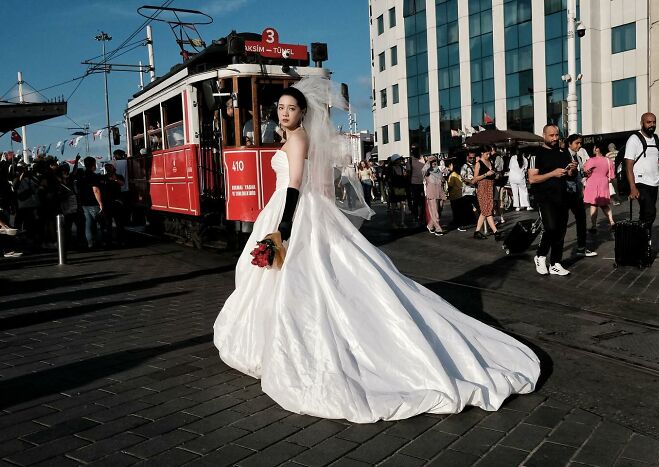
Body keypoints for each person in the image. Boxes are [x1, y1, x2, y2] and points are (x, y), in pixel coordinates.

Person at [213, 77, 540, 423]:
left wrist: (284, 228)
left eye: (290, 108)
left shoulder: (297, 140)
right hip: (297, 208)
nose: (284, 114)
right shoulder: (296, 138)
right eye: (280, 108)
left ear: (302, 112)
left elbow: (293, 186)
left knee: (299, 278)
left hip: (290, 209)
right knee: (309, 276)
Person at [528, 124, 575, 276]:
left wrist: (570, 170)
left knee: (561, 231)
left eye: (557, 135)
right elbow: (532, 179)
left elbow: (568, 175)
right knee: (551, 228)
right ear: (544, 135)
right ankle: (540, 256)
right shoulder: (536, 154)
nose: (555, 138)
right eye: (551, 135)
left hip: (562, 196)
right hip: (544, 197)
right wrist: (552, 174)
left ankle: (555, 263)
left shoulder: (562, 152)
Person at [624, 112, 659, 234]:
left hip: (654, 182)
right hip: (640, 182)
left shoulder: (657, 138)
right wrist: (633, 188)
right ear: (642, 123)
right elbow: (628, 165)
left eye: (654, 122)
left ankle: (642, 242)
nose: (652, 125)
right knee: (650, 212)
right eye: (648, 122)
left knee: (645, 213)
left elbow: (658, 159)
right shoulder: (634, 139)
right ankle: (641, 236)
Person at [565, 134, 597, 258]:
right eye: (577, 143)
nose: (579, 145)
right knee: (562, 222)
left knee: (581, 219)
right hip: (567, 192)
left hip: (576, 193)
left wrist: (585, 173)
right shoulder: (564, 155)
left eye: (580, 143)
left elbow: (577, 174)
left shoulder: (577, 156)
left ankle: (581, 248)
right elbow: (564, 174)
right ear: (570, 143)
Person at [584, 143, 616, 232]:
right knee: (604, 205)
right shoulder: (608, 161)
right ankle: (612, 221)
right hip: (604, 182)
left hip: (592, 183)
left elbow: (586, 171)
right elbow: (612, 175)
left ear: (597, 149)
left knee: (593, 205)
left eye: (594, 147)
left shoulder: (591, 160)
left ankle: (594, 226)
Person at [472, 145, 501, 240]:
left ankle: (477, 232)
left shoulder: (490, 162)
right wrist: (485, 174)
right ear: (482, 153)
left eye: (489, 153)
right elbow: (474, 179)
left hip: (490, 187)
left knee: (486, 210)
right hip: (482, 188)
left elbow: (492, 175)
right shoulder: (478, 163)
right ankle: (495, 231)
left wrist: (494, 175)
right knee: (487, 210)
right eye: (486, 154)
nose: (488, 155)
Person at [78, 156, 104, 249]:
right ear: (93, 165)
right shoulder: (93, 176)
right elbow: (95, 190)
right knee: (100, 223)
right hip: (93, 202)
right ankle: (100, 241)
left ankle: (90, 243)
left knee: (88, 224)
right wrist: (100, 203)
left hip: (84, 203)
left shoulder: (81, 175)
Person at [422, 157, 445, 235]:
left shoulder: (438, 170)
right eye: (432, 161)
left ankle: (430, 225)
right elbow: (423, 171)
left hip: (440, 192)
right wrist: (428, 162)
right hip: (432, 192)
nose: (434, 162)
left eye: (435, 161)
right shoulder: (427, 171)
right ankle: (438, 229)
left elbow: (442, 179)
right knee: (435, 211)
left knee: (439, 210)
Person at [445, 160, 468, 232]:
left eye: (449, 166)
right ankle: (460, 222)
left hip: (454, 195)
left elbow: (450, 186)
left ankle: (458, 223)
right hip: (460, 194)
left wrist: (447, 192)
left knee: (455, 210)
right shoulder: (458, 174)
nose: (448, 168)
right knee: (460, 210)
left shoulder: (452, 174)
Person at [459, 150, 478, 227]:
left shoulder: (476, 165)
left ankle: (473, 221)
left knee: (475, 207)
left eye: (473, 158)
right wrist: (472, 181)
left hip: (474, 190)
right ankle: (463, 224)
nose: (472, 159)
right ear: (467, 158)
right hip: (467, 191)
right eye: (470, 158)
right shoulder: (464, 166)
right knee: (466, 209)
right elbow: (463, 178)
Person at [408, 151, 426, 225]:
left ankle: (421, 217)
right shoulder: (410, 160)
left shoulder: (423, 158)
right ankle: (415, 216)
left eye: (417, 149)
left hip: (423, 183)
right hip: (414, 183)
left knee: (422, 201)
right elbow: (409, 172)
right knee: (415, 202)